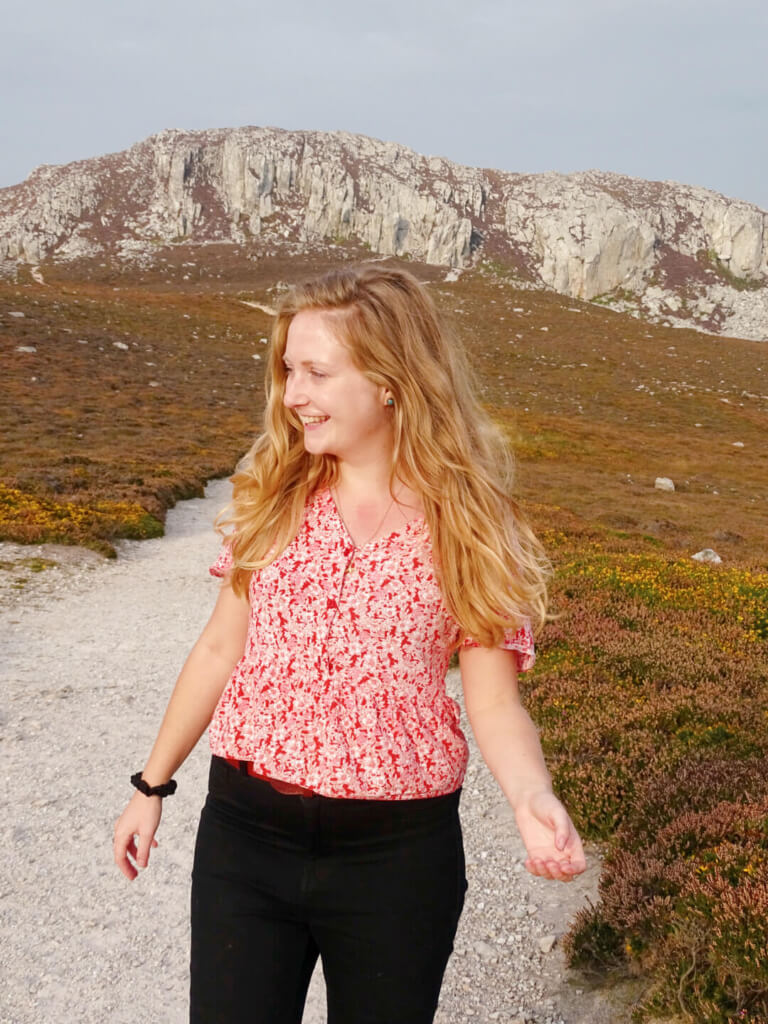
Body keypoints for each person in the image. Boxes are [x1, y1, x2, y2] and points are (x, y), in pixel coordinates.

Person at [113, 264, 586, 1024]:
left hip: (397, 860)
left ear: (391, 381)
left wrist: (533, 799)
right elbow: (217, 650)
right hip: (246, 840)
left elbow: (495, 704)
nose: (293, 392)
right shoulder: (273, 499)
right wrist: (150, 787)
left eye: (317, 372)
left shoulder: (470, 527)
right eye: (288, 370)